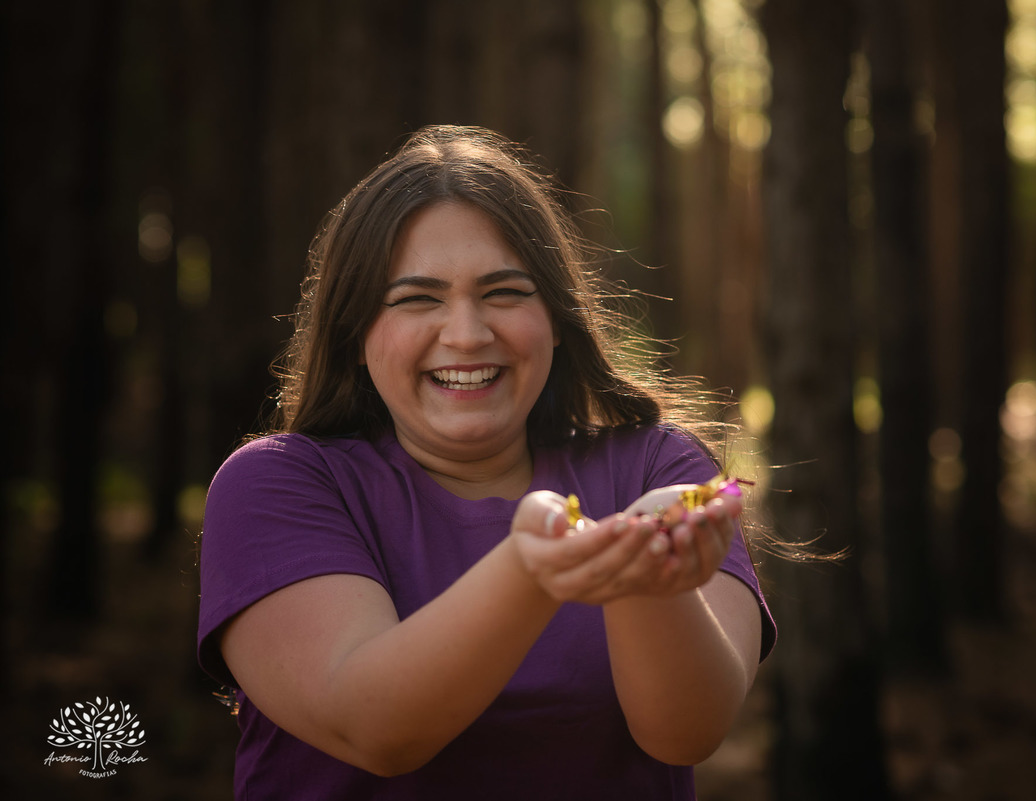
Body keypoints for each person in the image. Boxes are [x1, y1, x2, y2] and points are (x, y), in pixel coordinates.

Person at [197, 124, 776, 800]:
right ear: (355, 333)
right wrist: (530, 568)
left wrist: (647, 575)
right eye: (417, 298)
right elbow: (374, 728)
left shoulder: (658, 468)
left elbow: (686, 734)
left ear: (555, 320)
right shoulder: (276, 485)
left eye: (504, 292)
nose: (468, 334)